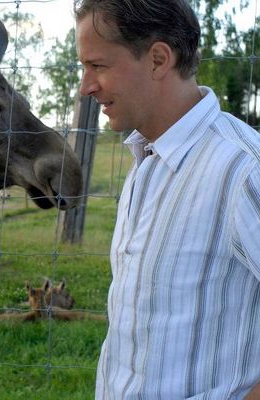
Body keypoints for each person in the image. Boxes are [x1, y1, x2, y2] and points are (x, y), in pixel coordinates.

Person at [75, 0, 260, 398]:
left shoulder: (243, 169)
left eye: (98, 66)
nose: (85, 86)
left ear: (158, 59)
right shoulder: (146, 158)